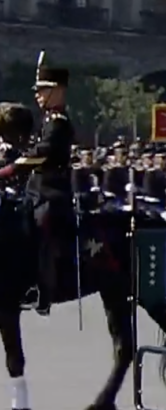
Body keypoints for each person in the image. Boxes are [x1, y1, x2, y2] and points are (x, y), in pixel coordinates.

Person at [0, 66, 75, 316]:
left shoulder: (59, 124)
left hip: (52, 191)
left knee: (40, 226)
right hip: (35, 190)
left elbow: (40, 157)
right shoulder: (48, 121)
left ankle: (41, 289)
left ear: (59, 91)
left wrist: (8, 171)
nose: (38, 95)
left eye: (43, 90)